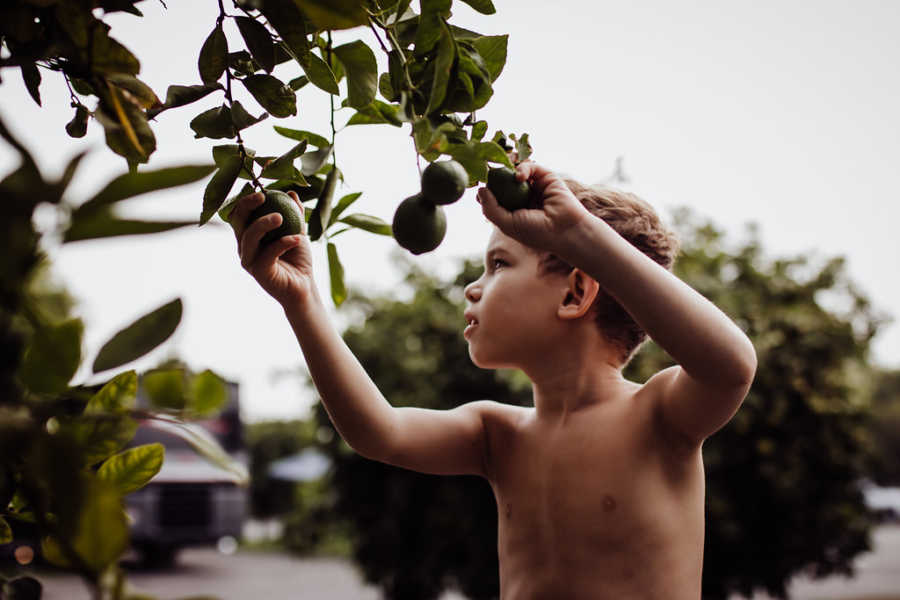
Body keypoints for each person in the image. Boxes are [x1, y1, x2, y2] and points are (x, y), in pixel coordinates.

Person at [228, 161, 757, 599]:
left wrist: (578, 235)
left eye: (498, 264)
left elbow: (731, 364)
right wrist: (301, 299)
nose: (471, 289)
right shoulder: (497, 435)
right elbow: (378, 431)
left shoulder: (659, 415)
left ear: (576, 292)